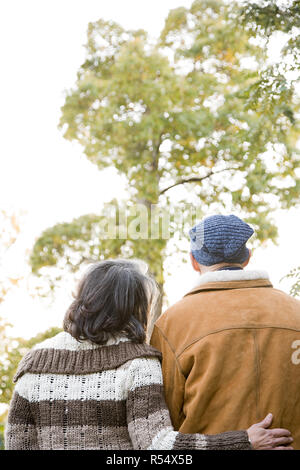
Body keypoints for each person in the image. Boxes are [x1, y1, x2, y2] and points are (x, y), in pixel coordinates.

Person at [5, 259, 293, 450]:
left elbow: (17, 441)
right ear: (135, 307)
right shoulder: (137, 362)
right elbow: (158, 447)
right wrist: (243, 440)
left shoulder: (35, 361)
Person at [150, 214, 300, 449]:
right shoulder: (295, 312)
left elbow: (164, 422)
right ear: (248, 258)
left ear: (194, 261)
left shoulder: (172, 323)